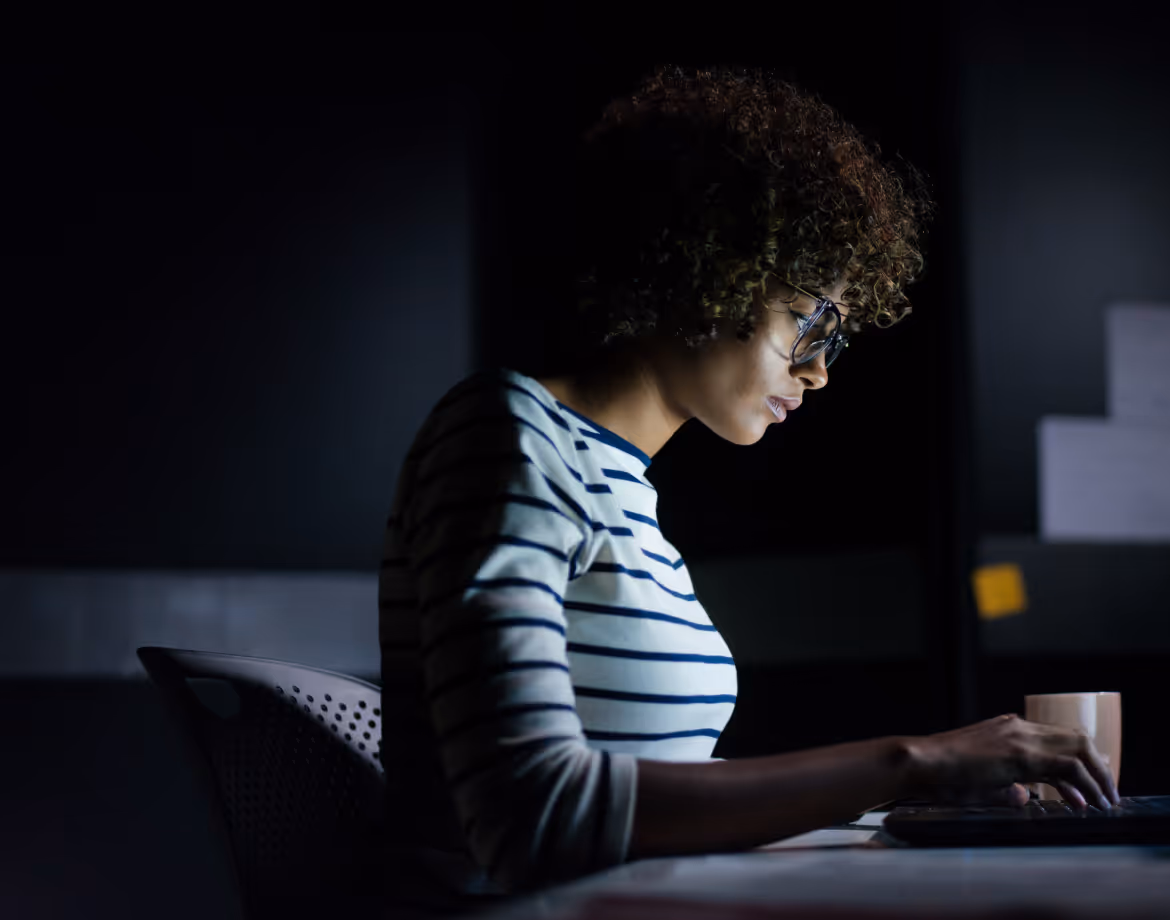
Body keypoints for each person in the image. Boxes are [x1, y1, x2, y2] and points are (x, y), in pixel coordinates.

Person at [377, 64, 1117, 912]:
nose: (817, 371)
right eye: (810, 322)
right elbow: (532, 817)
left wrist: (898, 799)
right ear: (704, 266)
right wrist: (915, 761)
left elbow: (659, 790)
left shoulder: (625, 492)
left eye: (834, 340)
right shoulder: (507, 431)